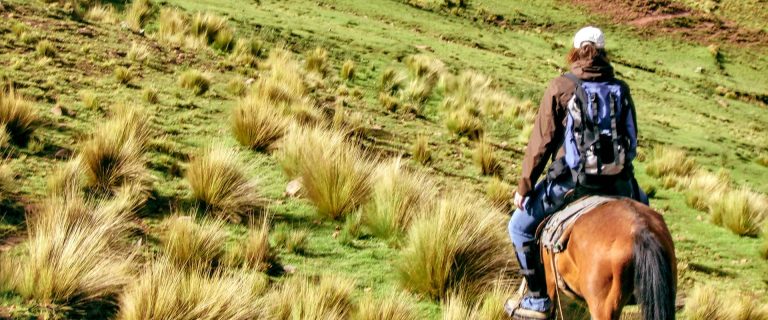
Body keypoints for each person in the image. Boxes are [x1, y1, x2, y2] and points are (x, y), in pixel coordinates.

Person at [505, 26, 648, 320]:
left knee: (518, 228)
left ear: (575, 51)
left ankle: (537, 300)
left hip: (574, 183)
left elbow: (540, 143)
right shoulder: (620, 89)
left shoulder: (561, 86)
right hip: (621, 185)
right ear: (604, 54)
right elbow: (632, 143)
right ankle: (641, 285)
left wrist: (524, 186)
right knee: (647, 224)